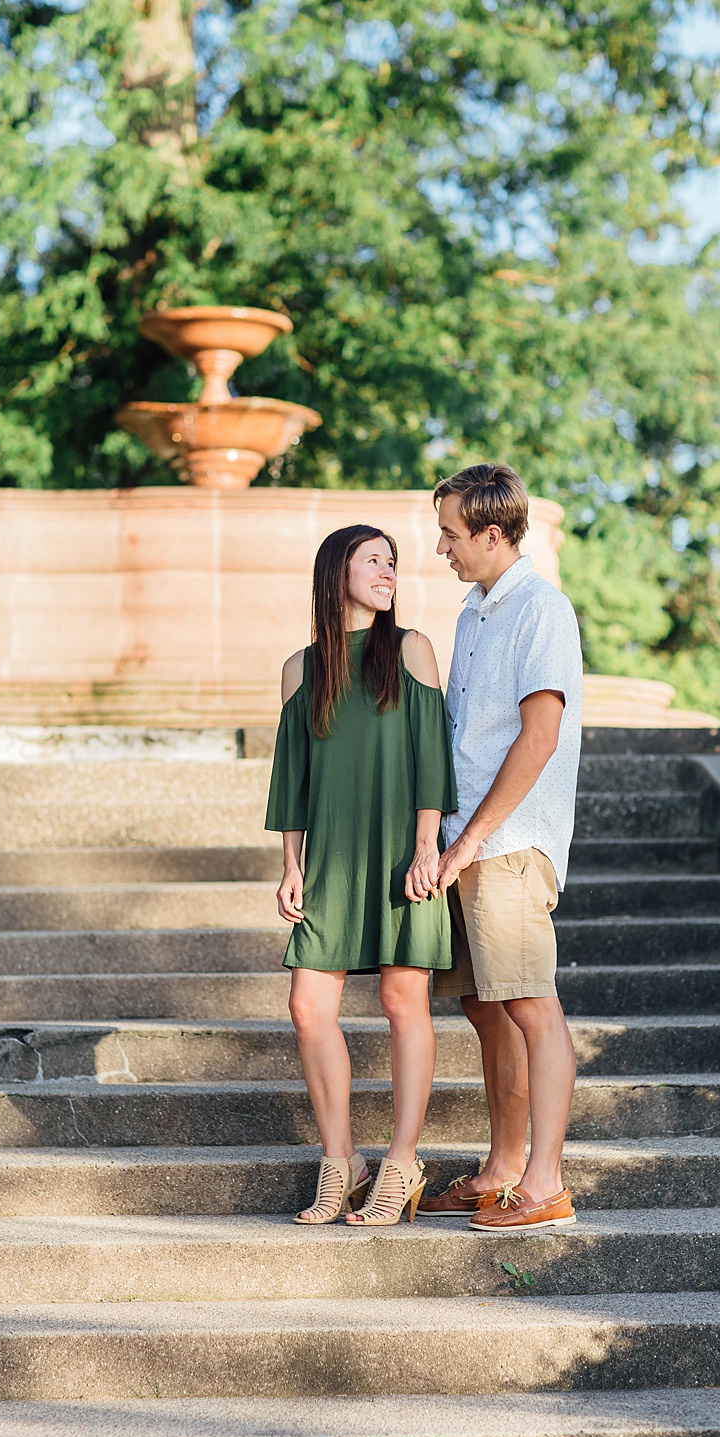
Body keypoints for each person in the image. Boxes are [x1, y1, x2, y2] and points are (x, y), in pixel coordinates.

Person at [265, 523, 457, 1228]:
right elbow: (293, 777)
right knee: (307, 1008)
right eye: (373, 559)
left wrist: (428, 845)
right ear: (335, 569)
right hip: (331, 862)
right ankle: (341, 1161)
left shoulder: (410, 650)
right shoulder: (300, 669)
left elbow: (432, 755)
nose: (388, 570)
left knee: (404, 1004)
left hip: (403, 854)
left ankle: (402, 1161)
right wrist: (291, 864)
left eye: (394, 562)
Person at [417, 463, 583, 1232]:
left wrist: (474, 839)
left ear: (493, 533)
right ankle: (502, 1168)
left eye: (451, 534)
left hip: (509, 843)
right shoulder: (472, 612)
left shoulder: (541, 609)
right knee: (487, 1010)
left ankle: (545, 1185)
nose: (440, 548)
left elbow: (538, 737)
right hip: (464, 842)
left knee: (530, 1006)